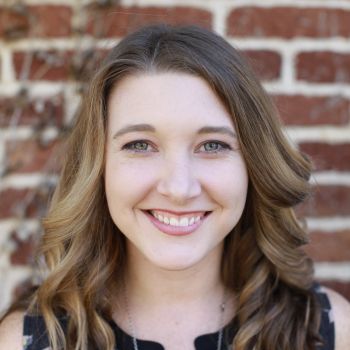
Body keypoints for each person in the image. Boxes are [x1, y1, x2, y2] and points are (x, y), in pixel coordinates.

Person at [0, 23, 349, 350]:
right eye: (140, 145)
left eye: (212, 145)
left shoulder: (328, 330)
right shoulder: (28, 341)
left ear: (253, 165)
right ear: (99, 167)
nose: (179, 188)